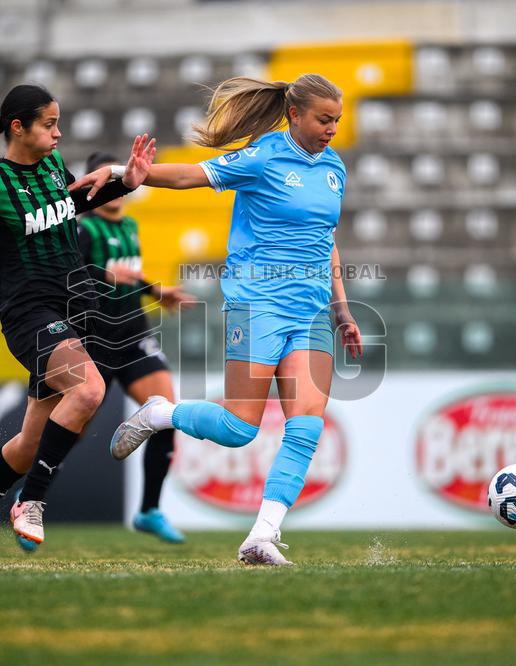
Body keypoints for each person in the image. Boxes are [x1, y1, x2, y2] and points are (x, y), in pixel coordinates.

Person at [72, 74, 363, 566]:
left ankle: (262, 536)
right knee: (239, 428)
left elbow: (326, 238)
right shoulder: (265, 157)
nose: (332, 129)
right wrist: (128, 172)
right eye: (323, 119)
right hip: (258, 305)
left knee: (306, 426)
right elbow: (191, 176)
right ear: (294, 114)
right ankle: (161, 413)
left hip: (311, 312)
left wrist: (342, 308)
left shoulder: (334, 167)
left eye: (337, 119)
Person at [0, 83, 156, 565]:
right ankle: (30, 501)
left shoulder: (52, 167)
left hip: (73, 309)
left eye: (58, 123)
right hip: (31, 314)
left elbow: (72, 206)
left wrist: (127, 182)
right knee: (89, 391)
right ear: (18, 127)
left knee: (30, 443)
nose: (58, 132)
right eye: (49, 124)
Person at [76, 151, 195, 543]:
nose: (117, 190)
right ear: (95, 186)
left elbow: (129, 275)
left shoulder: (130, 226)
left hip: (133, 335)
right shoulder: (83, 229)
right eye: (109, 182)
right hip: (93, 339)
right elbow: (68, 279)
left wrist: (156, 292)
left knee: (165, 415)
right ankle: (31, 495)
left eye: (122, 181)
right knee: (70, 428)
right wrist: (104, 275)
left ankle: (148, 510)